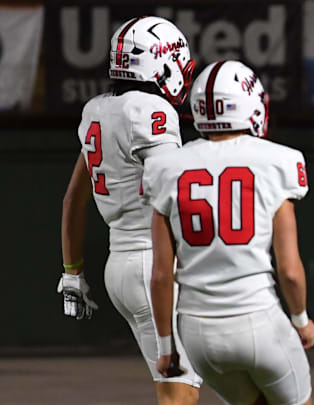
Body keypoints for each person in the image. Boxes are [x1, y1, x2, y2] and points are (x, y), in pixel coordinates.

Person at [143, 60, 314, 405]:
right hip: (258, 320)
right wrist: (301, 320)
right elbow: (290, 271)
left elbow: (162, 275)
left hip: (195, 332)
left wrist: (167, 348)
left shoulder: (165, 167)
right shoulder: (277, 161)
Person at [57, 16, 201, 404]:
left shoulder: (97, 111)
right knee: (179, 395)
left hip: (119, 266)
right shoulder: (151, 112)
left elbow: (74, 198)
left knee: (189, 382)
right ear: (163, 63)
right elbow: (176, 193)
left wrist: (72, 272)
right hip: (155, 265)